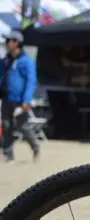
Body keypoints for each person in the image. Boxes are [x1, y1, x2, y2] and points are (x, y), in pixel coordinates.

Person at [0, 31, 39, 163]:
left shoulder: (26, 61)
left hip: (20, 100)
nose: (6, 43)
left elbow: (31, 81)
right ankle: (8, 154)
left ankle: (35, 147)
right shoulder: (5, 61)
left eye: (9, 40)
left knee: (23, 126)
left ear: (17, 43)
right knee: (6, 125)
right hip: (6, 98)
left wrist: (26, 99)